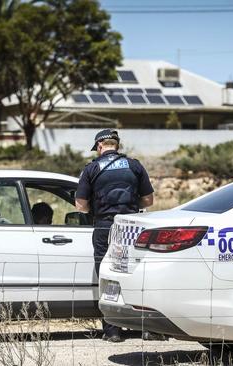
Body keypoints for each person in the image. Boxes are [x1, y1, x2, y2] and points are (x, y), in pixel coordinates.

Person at [75, 129, 154, 342]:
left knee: (108, 275)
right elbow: (148, 201)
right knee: (136, 274)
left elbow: (81, 206)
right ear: (116, 145)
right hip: (131, 228)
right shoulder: (135, 166)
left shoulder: (91, 168)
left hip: (104, 228)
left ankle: (113, 331)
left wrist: (98, 206)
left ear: (100, 147)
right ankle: (147, 328)